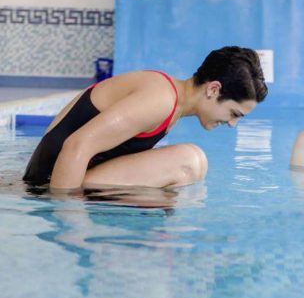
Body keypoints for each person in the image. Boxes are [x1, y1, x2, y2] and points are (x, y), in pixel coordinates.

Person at [23, 46, 268, 192]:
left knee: (191, 170)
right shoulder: (160, 99)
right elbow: (77, 145)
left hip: (65, 178)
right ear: (213, 89)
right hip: (50, 185)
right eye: (234, 114)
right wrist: (68, 221)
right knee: (189, 161)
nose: (232, 123)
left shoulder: (173, 103)